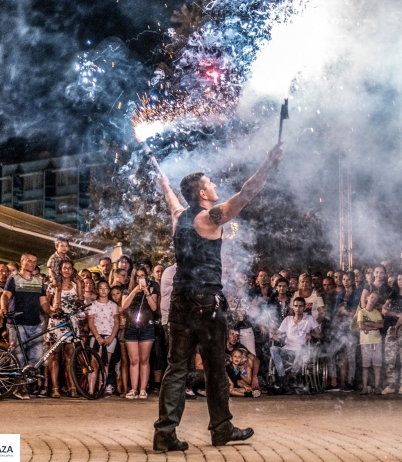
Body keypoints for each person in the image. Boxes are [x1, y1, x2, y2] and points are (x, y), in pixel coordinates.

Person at [154, 142, 282, 451]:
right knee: (215, 369)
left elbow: (171, 199)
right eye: (210, 184)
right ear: (202, 194)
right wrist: (268, 162)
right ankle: (222, 429)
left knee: (176, 369)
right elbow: (246, 194)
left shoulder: (179, 217)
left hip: (181, 303)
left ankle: (164, 434)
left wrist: (165, 184)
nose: (215, 187)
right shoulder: (207, 218)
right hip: (205, 304)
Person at [0, 253, 50, 400]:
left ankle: (26, 384)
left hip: (35, 323)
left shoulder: (39, 281)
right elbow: (5, 295)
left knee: (37, 356)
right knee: (19, 356)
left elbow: (44, 302)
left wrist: (51, 311)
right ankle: (19, 387)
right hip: (17, 322)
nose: (32, 263)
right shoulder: (13, 278)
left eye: (34, 261)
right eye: (29, 261)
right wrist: (3, 308)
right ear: (22, 262)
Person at [46, 259, 83, 398]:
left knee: (70, 355)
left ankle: (72, 386)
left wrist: (79, 283)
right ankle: (55, 388)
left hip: (70, 321)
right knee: (55, 354)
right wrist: (53, 310)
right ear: (60, 270)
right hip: (56, 322)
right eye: (64, 268)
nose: (66, 270)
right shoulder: (54, 285)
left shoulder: (75, 285)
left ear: (72, 270)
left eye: (69, 268)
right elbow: (46, 303)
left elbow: (80, 301)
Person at [122, 267, 159, 399]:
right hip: (131, 327)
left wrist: (146, 292)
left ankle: (143, 389)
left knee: (144, 359)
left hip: (147, 327)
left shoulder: (152, 287)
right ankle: (133, 389)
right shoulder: (127, 288)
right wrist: (135, 290)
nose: (140, 278)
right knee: (134, 360)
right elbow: (124, 305)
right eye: (137, 276)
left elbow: (154, 307)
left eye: (142, 276)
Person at [270, 296, 321, 388]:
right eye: (296, 306)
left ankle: (293, 374)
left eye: (301, 306)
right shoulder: (287, 320)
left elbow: (320, 335)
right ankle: (282, 376)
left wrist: (311, 335)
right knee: (273, 348)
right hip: (287, 349)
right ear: (293, 307)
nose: (298, 308)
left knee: (301, 347)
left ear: (304, 307)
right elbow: (277, 333)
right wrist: (274, 335)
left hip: (302, 350)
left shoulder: (309, 319)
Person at [87, 280, 120, 395]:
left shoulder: (113, 305)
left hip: (109, 337)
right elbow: (90, 322)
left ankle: (102, 387)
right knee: (94, 363)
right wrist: (97, 337)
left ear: (109, 290)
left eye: (106, 288)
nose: (103, 290)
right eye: (101, 288)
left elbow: (116, 322)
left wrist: (111, 337)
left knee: (106, 363)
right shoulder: (93, 305)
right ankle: (91, 389)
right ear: (97, 290)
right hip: (96, 337)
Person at [358, 292, 384, 395]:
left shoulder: (377, 312)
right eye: (372, 297)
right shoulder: (362, 312)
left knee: (377, 366)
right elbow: (361, 326)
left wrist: (368, 324)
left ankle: (377, 387)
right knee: (365, 366)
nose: (373, 299)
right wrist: (374, 326)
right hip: (365, 342)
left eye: (376, 298)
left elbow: (381, 326)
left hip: (377, 342)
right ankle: (365, 388)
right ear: (367, 298)